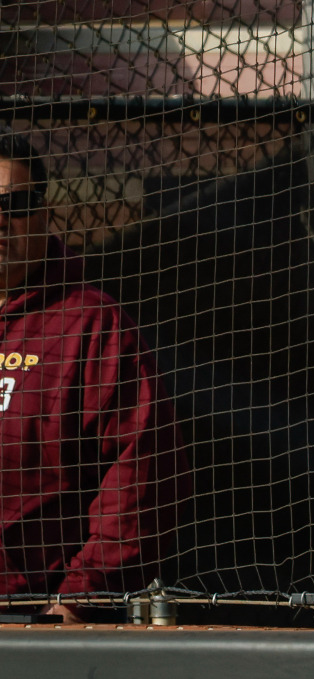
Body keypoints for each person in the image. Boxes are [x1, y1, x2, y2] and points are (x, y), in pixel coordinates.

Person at [0, 134, 184, 616]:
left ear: (44, 212)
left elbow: (142, 466)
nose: (1, 220)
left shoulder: (91, 324)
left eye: (15, 204)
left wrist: (79, 595)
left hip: (35, 613)